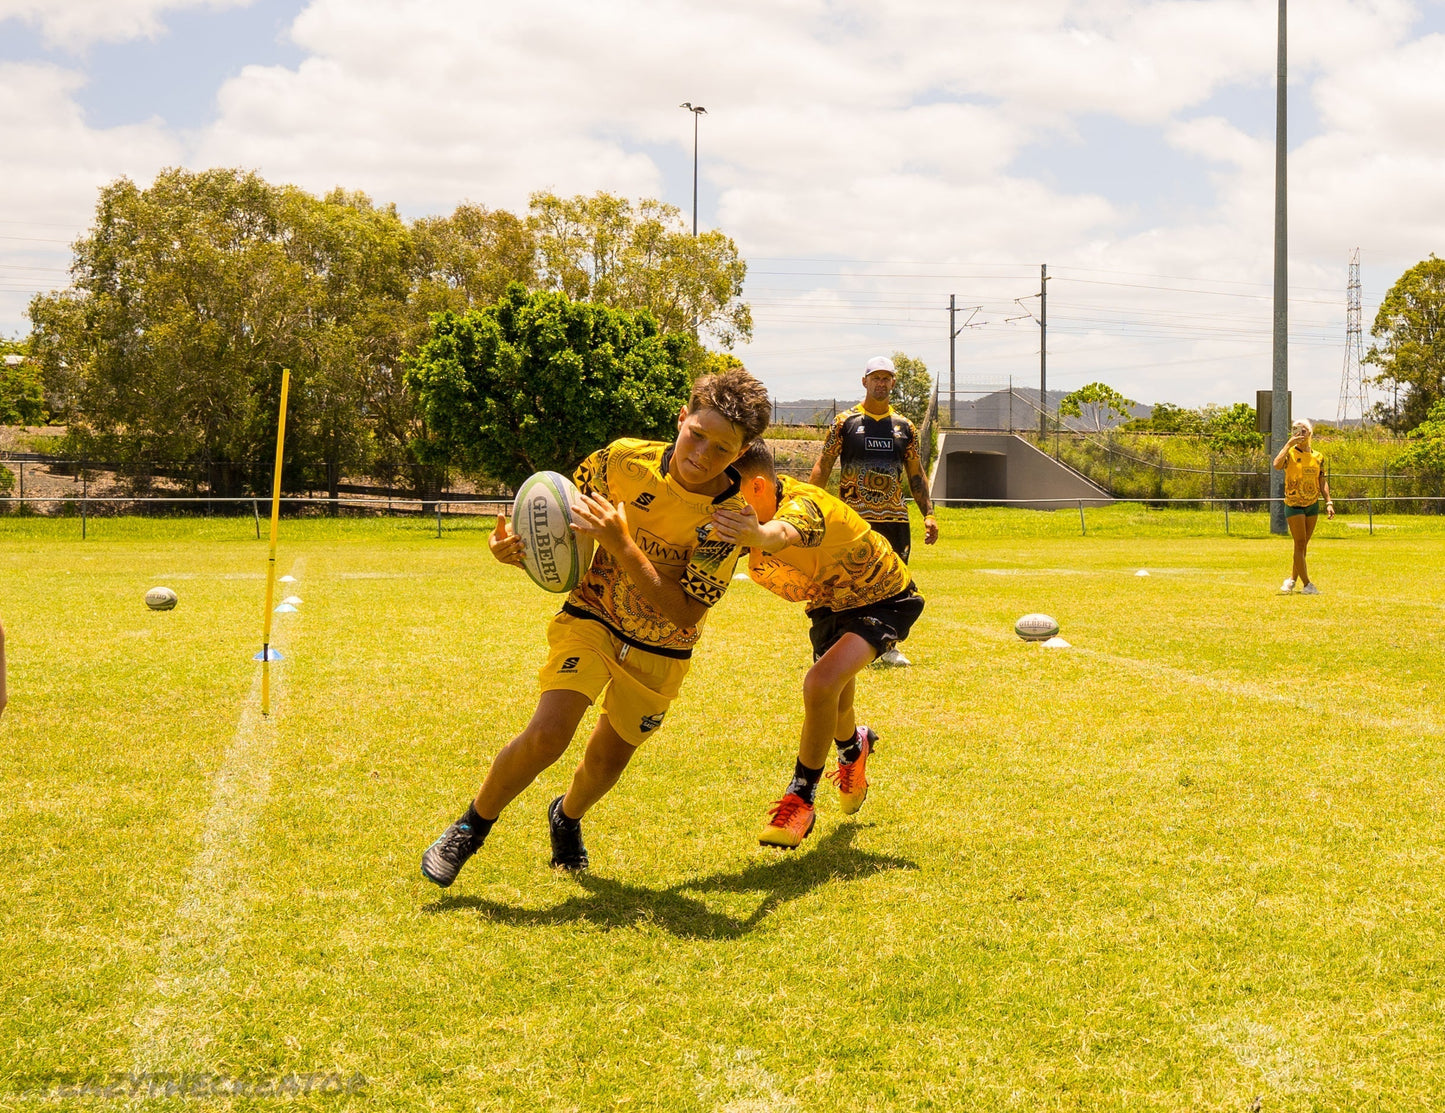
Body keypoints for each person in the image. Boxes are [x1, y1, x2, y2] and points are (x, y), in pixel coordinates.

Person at [421, 369, 772, 885]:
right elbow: (560, 527)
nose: (702, 454)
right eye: (697, 434)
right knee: (548, 734)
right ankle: (470, 827)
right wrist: (515, 551)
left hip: (662, 647)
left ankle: (566, 816)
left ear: (741, 454)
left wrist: (624, 546)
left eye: (722, 448)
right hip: (592, 614)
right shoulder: (621, 461)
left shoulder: (730, 519)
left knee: (607, 761)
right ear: (682, 417)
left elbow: (686, 612)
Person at [712, 441, 924, 848]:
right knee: (837, 700)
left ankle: (801, 798)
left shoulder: (802, 506)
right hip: (830, 605)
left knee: (820, 683)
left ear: (756, 488)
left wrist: (755, 533)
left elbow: (784, 532)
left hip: (882, 596)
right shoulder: (747, 510)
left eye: (722, 493)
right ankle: (853, 748)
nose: (714, 503)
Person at [809, 355, 936, 666]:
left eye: (886, 378)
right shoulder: (844, 423)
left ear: (893, 383)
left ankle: (887, 645)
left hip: (894, 518)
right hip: (853, 517)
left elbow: (916, 473)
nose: (881, 383)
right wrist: (808, 504)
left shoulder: (905, 427)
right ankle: (832, 644)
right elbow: (823, 466)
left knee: (894, 582)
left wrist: (929, 514)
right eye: (875, 377)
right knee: (845, 581)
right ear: (864, 382)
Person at [1272, 418, 1334, 594]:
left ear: (1310, 433)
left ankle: (1292, 579)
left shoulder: (1318, 456)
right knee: (1299, 543)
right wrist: (1288, 444)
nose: (1300, 433)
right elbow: (1276, 465)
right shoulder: (1291, 453)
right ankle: (1307, 584)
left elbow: (1322, 480)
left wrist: (1328, 501)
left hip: (1312, 504)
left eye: (1304, 430)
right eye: (1296, 430)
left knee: (1303, 545)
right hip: (1294, 504)